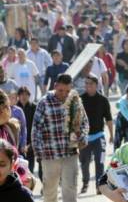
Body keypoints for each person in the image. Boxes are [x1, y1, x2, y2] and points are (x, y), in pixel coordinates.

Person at [32, 74, 89, 202]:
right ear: (55, 86)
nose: (64, 94)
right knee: (50, 191)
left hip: (71, 153)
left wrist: (83, 137)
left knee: (70, 189)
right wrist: (38, 152)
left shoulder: (75, 101)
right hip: (50, 154)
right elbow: (36, 129)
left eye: (67, 91)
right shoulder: (44, 102)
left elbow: (84, 122)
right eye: (61, 90)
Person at [79, 75, 113, 195]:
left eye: (91, 84)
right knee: (84, 162)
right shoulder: (80, 99)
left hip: (99, 136)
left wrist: (111, 134)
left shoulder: (103, 100)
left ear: (96, 85)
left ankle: (99, 186)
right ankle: (85, 183)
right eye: (86, 83)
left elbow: (109, 118)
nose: (88, 86)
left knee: (100, 162)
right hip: (84, 137)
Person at [16, 87, 38, 175]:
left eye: (26, 94)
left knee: (30, 168)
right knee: (19, 169)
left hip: (31, 141)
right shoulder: (15, 108)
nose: (24, 97)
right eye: (21, 94)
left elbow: (37, 125)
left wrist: (31, 143)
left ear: (29, 96)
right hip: (18, 142)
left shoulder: (34, 107)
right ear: (18, 96)